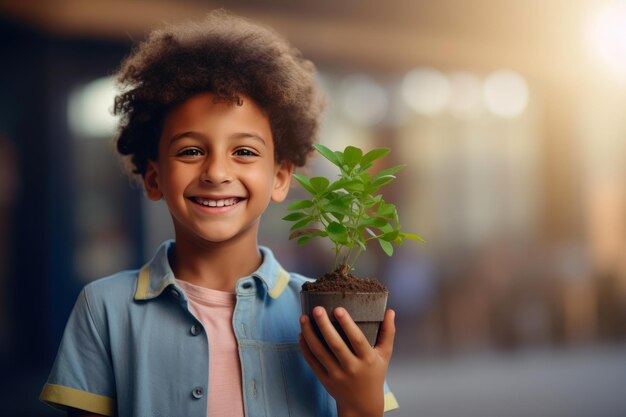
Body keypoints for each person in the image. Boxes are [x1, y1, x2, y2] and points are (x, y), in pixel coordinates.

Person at [40, 10, 399, 417]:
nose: (216, 172)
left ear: (280, 177)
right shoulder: (104, 308)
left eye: (244, 152)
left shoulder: (323, 310)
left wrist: (362, 406)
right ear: (155, 178)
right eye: (191, 151)